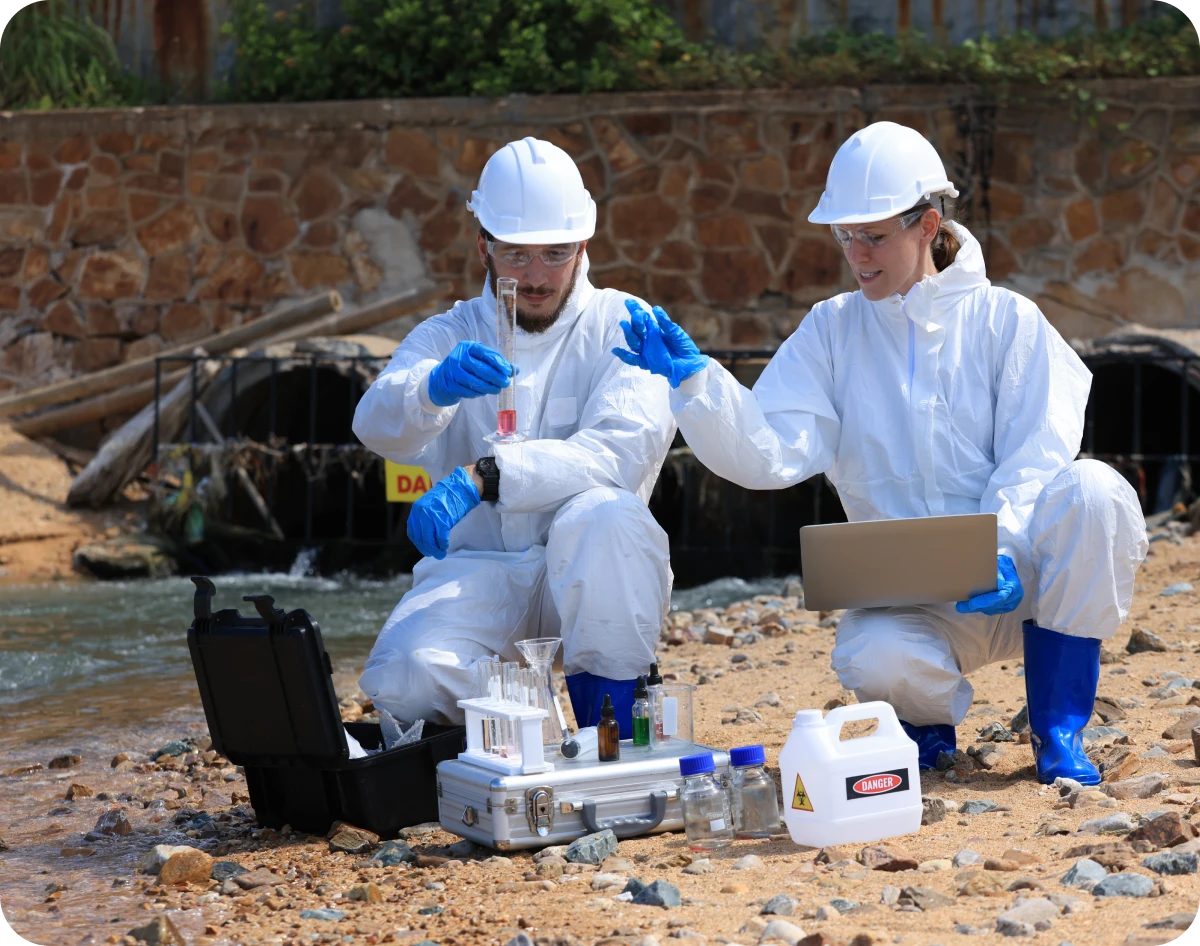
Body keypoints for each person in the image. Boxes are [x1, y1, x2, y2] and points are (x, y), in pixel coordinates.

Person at [614, 121, 1148, 785]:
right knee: (870, 654)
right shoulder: (833, 332)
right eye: (845, 236)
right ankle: (926, 733)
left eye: (873, 236)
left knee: (1095, 491)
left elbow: (1035, 450)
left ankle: (1058, 731)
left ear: (926, 226)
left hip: (1024, 584)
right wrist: (697, 385)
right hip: (915, 601)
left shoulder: (1005, 320)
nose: (857, 254)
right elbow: (770, 452)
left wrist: (1005, 545)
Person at [353, 137, 674, 737]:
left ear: (583, 245)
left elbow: (618, 454)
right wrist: (430, 390)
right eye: (516, 253)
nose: (535, 276)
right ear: (484, 246)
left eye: (555, 253)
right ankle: (544, 733)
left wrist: (487, 477)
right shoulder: (451, 331)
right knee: (403, 680)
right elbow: (372, 422)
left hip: (584, 571)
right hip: (480, 568)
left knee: (605, 515)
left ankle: (615, 731)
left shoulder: (624, 326)